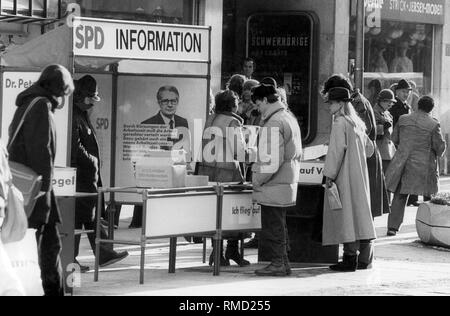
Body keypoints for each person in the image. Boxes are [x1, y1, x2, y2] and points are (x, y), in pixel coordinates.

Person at [8, 64, 74, 296]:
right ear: (60, 89)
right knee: (46, 251)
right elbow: (40, 150)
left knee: (46, 248)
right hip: (35, 194)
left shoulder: (28, 103)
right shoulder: (40, 107)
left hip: (30, 190)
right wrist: (43, 191)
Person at [71, 75, 129, 272]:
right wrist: (92, 161)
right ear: (81, 97)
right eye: (89, 99)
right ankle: (83, 257)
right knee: (81, 218)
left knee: (88, 217)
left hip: (87, 177)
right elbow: (75, 148)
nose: (91, 104)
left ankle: (101, 253)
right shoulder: (74, 116)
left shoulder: (80, 114)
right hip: (80, 177)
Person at [323, 87, 377, 272]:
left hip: (344, 176)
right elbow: (370, 150)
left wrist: (329, 175)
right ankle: (359, 258)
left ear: (340, 104)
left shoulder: (339, 123)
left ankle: (348, 259)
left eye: (331, 103)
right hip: (359, 176)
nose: (329, 106)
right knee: (358, 216)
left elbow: (336, 152)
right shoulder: (357, 124)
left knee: (346, 217)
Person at [252, 84, 302, 277]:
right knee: (279, 224)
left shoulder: (273, 122)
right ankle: (283, 261)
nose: (257, 108)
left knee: (273, 225)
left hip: (273, 184)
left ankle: (278, 263)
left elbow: (270, 161)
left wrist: (257, 180)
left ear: (265, 100)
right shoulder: (288, 117)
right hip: (285, 181)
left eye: (258, 103)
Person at [322, 74, 389, 218]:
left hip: (362, 158)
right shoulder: (357, 101)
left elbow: (359, 135)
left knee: (359, 209)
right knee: (361, 208)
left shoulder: (356, 105)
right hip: (365, 156)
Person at [196, 90, 250, 267]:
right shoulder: (232, 122)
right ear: (233, 106)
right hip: (228, 175)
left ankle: (217, 252)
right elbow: (239, 152)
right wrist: (254, 151)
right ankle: (232, 250)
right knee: (232, 213)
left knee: (215, 213)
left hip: (208, 173)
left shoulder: (210, 119)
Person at [385, 96, 446, 237]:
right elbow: (439, 148)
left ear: (418, 105)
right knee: (429, 197)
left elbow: (394, 139)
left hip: (403, 164)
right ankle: (430, 228)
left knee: (400, 196)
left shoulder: (403, 119)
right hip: (424, 167)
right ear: (431, 109)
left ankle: (392, 227)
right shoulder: (433, 124)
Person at [131, 85, 190, 228]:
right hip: (156, 176)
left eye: (173, 101)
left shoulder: (183, 122)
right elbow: (142, 156)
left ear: (178, 101)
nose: (170, 104)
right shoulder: (148, 124)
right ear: (159, 102)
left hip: (175, 175)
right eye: (165, 101)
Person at [373, 89, 397, 174]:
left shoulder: (387, 113)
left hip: (388, 150)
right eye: (387, 101)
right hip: (380, 150)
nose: (390, 104)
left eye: (392, 102)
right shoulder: (374, 112)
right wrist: (383, 127)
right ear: (381, 101)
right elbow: (373, 131)